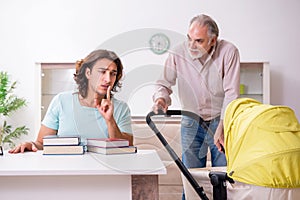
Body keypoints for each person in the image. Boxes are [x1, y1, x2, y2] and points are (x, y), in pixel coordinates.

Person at [152, 14, 240, 169]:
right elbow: (163, 84)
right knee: (191, 178)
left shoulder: (228, 52)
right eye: (189, 38)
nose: (191, 45)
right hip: (190, 121)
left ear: (213, 40)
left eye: (198, 41)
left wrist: (223, 126)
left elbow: (231, 93)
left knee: (223, 176)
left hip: (220, 120)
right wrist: (161, 100)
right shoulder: (178, 53)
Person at [9, 49, 133, 153]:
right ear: (88, 73)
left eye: (113, 73)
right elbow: (42, 143)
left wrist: (110, 121)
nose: (108, 79)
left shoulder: (121, 108)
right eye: (102, 72)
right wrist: (31, 145)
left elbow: (126, 149)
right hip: (64, 173)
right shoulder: (61, 101)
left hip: (106, 175)